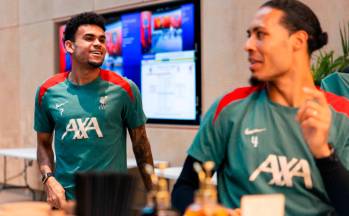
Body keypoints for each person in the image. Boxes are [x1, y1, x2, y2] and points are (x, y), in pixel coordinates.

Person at [172, 0, 349, 215]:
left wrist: (323, 153)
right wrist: (211, 211)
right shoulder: (229, 109)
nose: (248, 45)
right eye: (249, 35)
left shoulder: (342, 115)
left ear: (298, 41)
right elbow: (183, 189)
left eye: (261, 35)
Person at [34, 12, 154, 209]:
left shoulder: (125, 89)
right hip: (65, 203)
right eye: (89, 38)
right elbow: (43, 144)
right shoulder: (47, 92)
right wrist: (49, 179)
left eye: (102, 39)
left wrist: (154, 193)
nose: (98, 44)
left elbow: (141, 145)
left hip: (112, 202)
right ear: (69, 46)